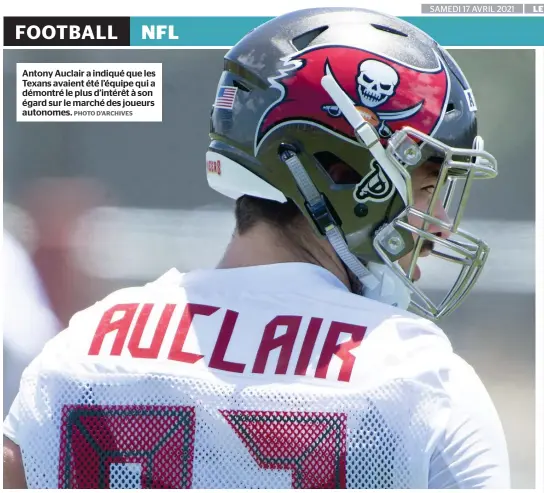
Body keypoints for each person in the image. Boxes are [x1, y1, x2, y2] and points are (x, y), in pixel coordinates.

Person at [3, 7, 510, 489]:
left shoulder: (79, 352)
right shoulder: (420, 378)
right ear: (342, 173)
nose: (439, 224)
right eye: (427, 188)